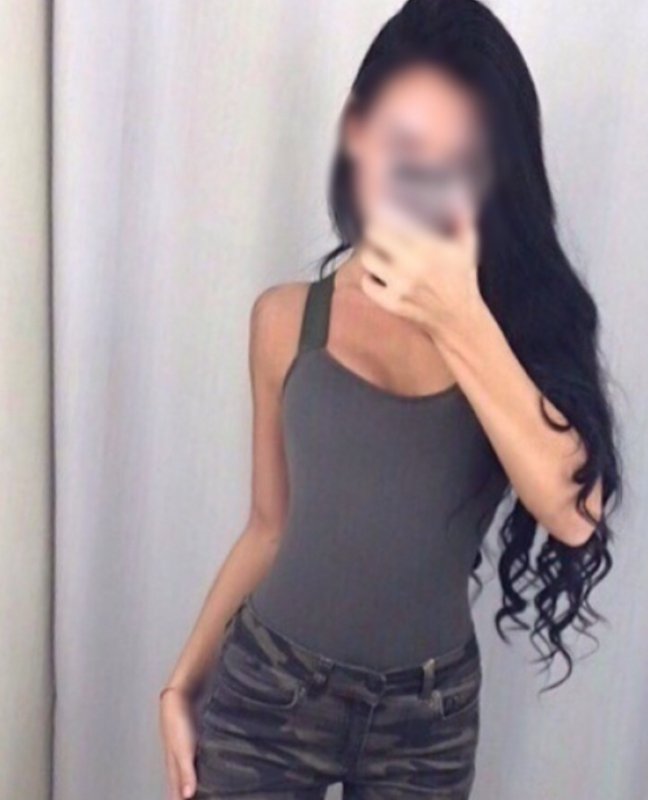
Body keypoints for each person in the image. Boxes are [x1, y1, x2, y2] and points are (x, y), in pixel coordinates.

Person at [159, 1, 621, 797]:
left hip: (428, 720)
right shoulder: (285, 322)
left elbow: (575, 513)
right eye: (405, 144)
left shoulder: (512, 335)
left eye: (457, 161)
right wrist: (181, 683)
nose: (422, 183)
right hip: (270, 695)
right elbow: (269, 527)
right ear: (358, 130)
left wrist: (458, 315)